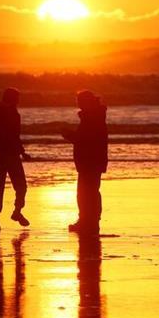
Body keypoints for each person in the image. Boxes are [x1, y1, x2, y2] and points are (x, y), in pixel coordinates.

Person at [62, 91, 108, 235]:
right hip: (92, 161)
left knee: (86, 193)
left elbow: (85, 140)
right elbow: (86, 139)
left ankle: (89, 222)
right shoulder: (95, 116)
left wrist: (69, 135)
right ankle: (89, 221)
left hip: (90, 161)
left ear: (87, 102)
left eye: (80, 101)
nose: (78, 104)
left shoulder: (92, 117)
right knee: (89, 192)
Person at [0, 87, 31, 233]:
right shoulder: (12, 113)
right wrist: (22, 153)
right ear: (12, 99)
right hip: (10, 156)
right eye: (17, 98)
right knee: (21, 186)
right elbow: (14, 136)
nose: (19, 101)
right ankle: (17, 211)